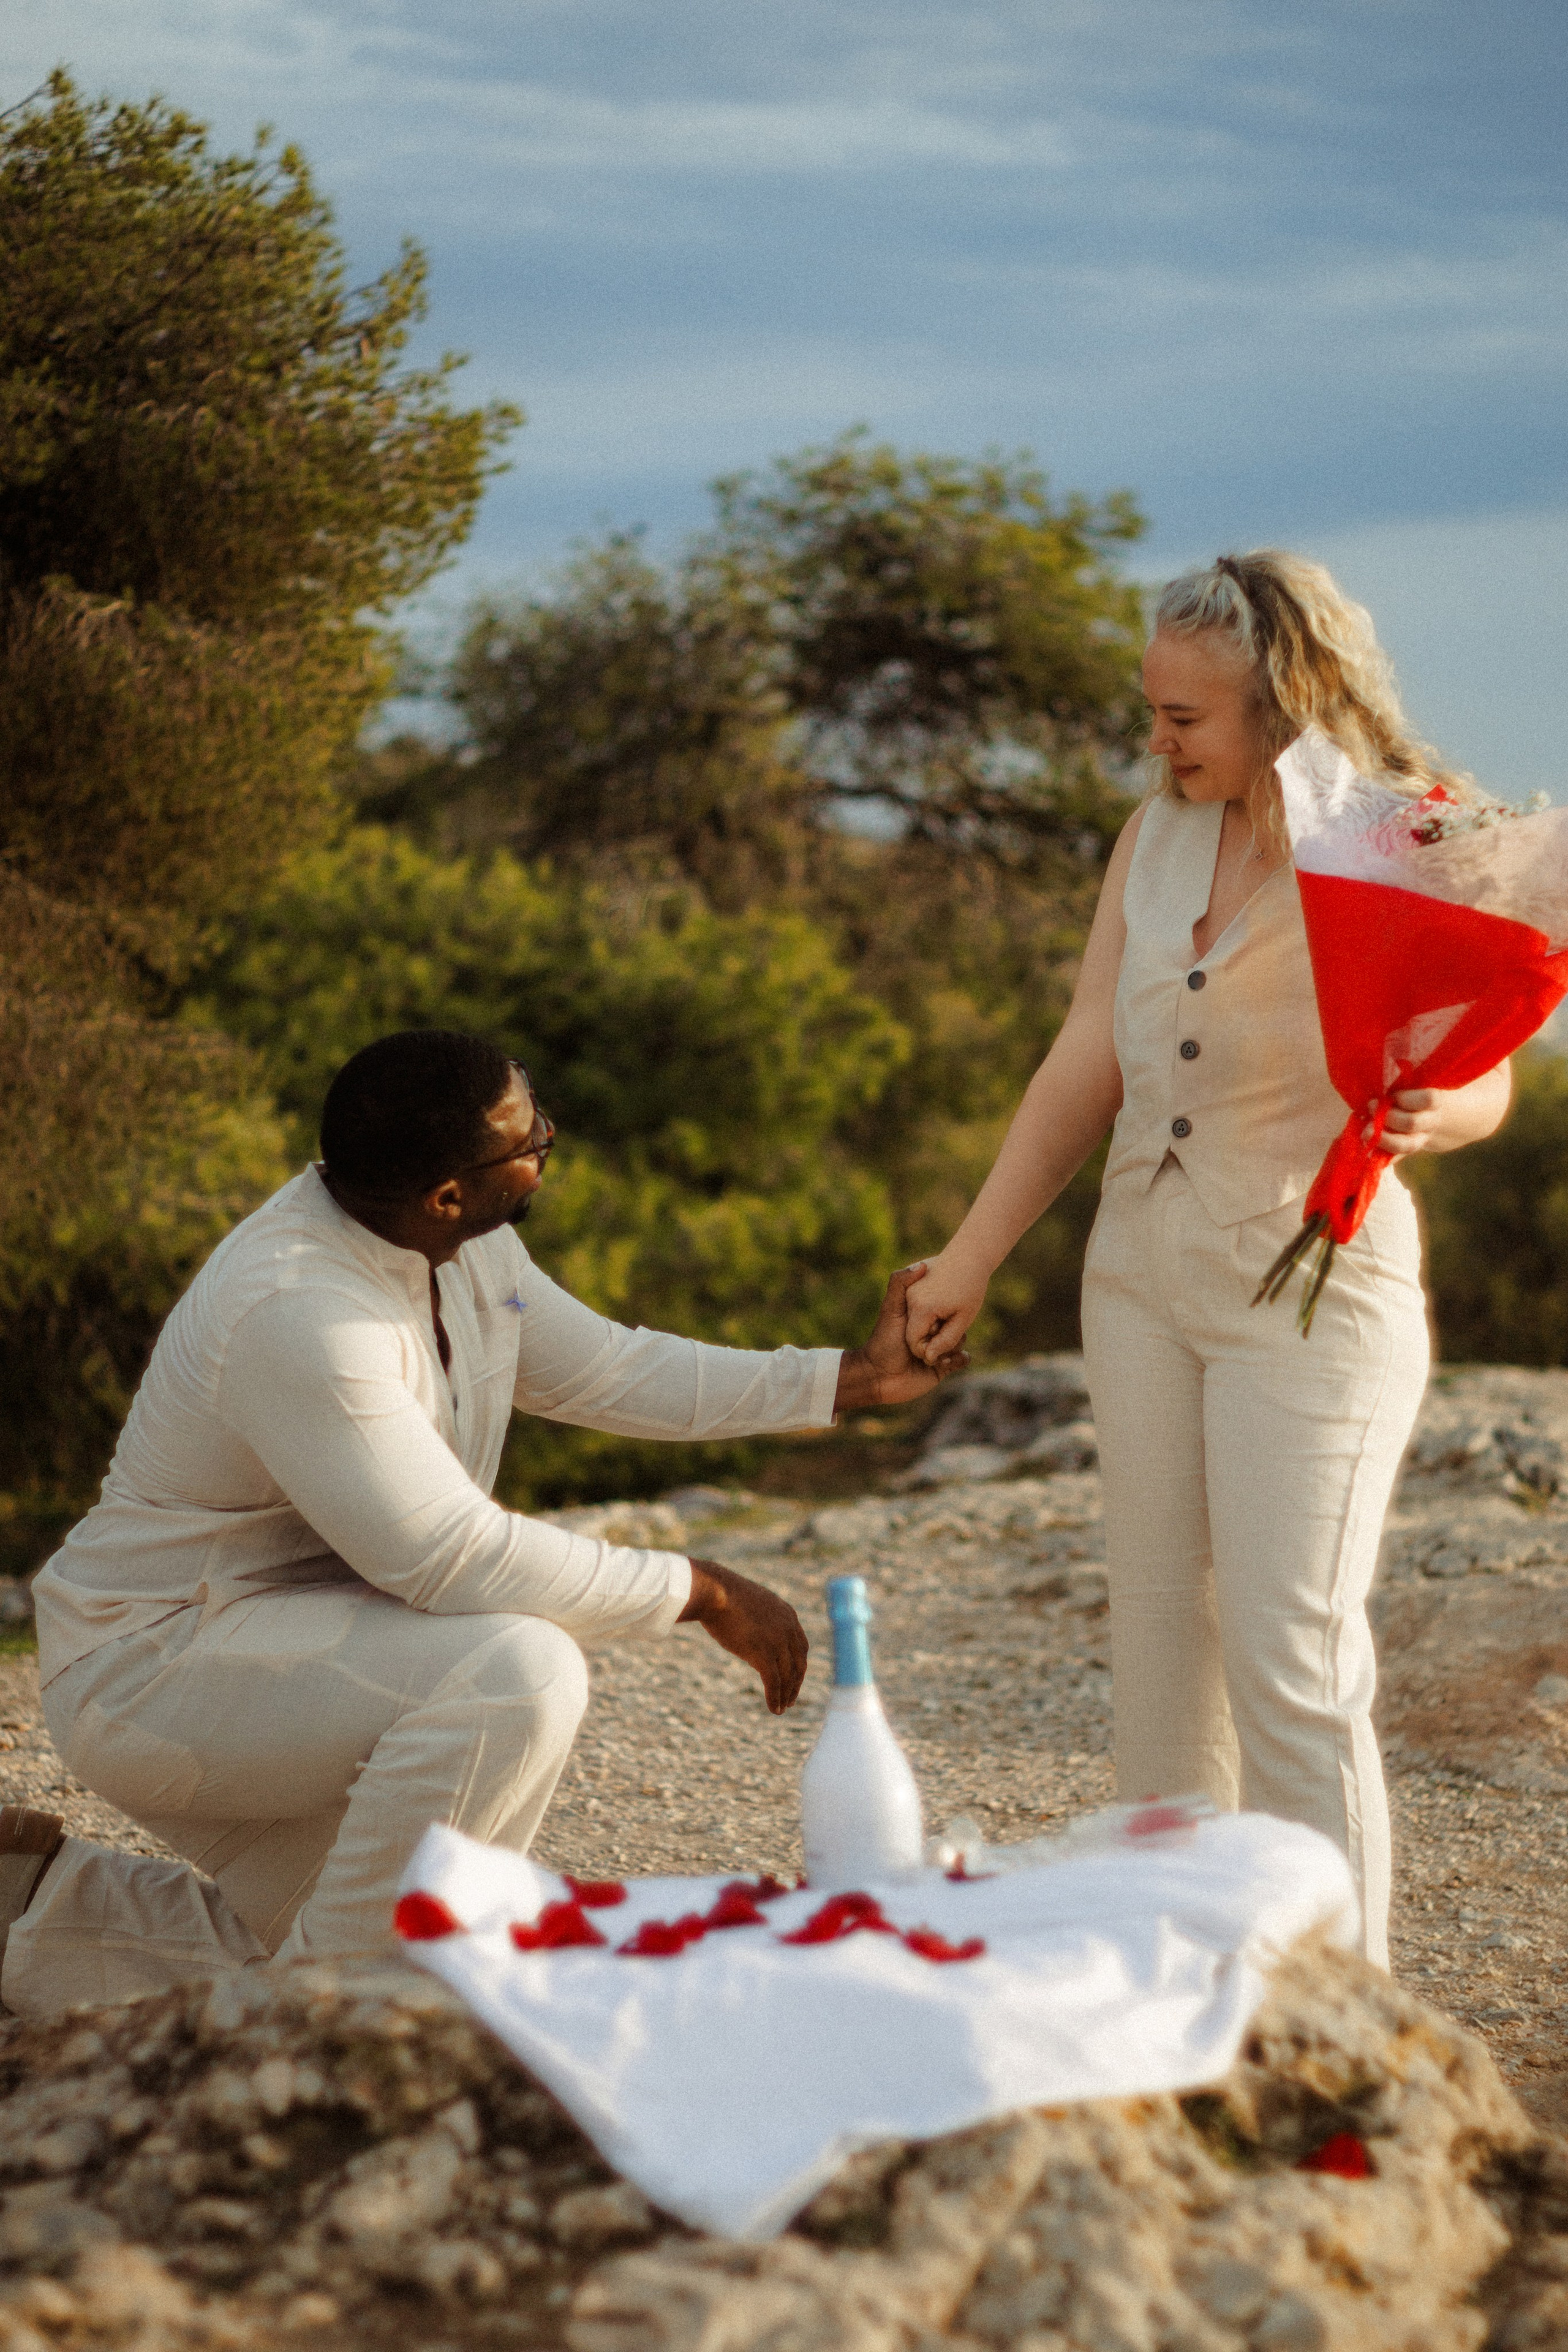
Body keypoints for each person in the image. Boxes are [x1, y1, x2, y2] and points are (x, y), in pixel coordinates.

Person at [2, 1030, 962, 2018]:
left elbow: (612, 1369)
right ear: (446, 1194)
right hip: (157, 1672)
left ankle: (30, 1912)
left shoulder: (465, 1246)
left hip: (301, 1662)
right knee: (517, 1675)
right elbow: (450, 1559)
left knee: (396, 1930)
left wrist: (853, 1378)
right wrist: (699, 1591)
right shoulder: (302, 1313)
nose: (548, 1141)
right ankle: (324, 2036)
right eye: (528, 1137)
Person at [903, 551, 1512, 1967]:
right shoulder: (1149, 836)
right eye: (1151, 711)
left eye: (1185, 717)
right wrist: (967, 1259)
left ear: (1287, 702)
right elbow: (1081, 1062)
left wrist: (1442, 1111)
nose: (1156, 741)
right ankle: (1181, 1987)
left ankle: (1350, 2028)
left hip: (1313, 1294)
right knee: (1164, 1667)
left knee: (1290, 1665)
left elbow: (1491, 1073)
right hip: (1137, 1284)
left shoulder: (1407, 838)